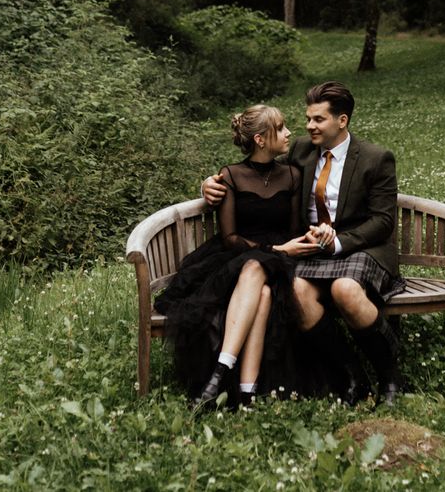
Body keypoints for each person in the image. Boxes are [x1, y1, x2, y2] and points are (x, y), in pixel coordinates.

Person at [203, 82, 404, 405]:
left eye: (318, 119)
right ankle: (352, 374)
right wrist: (209, 184)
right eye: (308, 118)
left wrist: (339, 240)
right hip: (312, 248)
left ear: (342, 121)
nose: (309, 125)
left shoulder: (375, 158)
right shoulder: (300, 150)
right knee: (296, 293)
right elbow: (257, 173)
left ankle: (390, 377)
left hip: (359, 246)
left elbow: (382, 221)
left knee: (345, 290)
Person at [154, 105, 319, 407]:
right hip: (237, 257)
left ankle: (220, 375)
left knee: (262, 275)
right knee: (262, 287)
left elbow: (295, 229)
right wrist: (276, 250)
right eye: (280, 128)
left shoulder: (292, 175)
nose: (288, 133)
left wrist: (297, 244)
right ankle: (245, 390)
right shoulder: (231, 175)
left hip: (282, 261)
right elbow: (230, 238)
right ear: (260, 139)